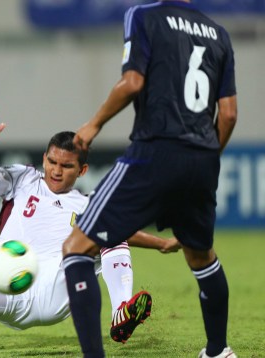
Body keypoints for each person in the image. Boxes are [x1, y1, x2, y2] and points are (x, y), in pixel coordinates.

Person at [0, 106, 180, 338]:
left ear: (82, 170)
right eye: (52, 162)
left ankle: (121, 311)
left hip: (55, 288)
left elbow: (126, 232)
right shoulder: (23, 178)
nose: (56, 171)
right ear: (44, 158)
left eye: (66, 166)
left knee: (109, 232)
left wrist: (163, 243)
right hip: (9, 276)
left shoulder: (87, 203)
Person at [61, 1, 238, 357]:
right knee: (202, 257)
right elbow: (230, 114)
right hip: (203, 157)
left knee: (76, 248)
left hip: (155, 150)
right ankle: (218, 351)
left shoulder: (143, 15)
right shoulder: (219, 33)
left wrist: (94, 124)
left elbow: (132, 82)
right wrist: (203, 158)